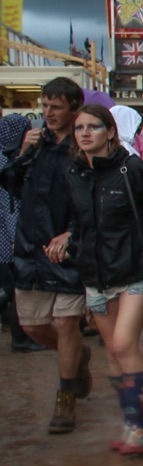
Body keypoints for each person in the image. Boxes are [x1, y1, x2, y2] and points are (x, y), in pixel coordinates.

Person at [56, 105, 143, 454]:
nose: (85, 133)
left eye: (94, 127)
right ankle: (133, 421)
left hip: (134, 271)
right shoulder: (74, 173)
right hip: (95, 275)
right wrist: (68, 241)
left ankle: (140, 428)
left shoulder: (131, 169)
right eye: (79, 127)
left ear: (111, 133)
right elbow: (78, 222)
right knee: (113, 355)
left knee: (122, 345)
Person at [8, 77, 93, 433]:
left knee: (65, 322)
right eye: (44, 107)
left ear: (73, 107)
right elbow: (11, 183)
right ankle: (76, 359)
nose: (48, 114)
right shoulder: (36, 144)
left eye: (55, 107)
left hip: (69, 250)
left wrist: (73, 233)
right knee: (33, 326)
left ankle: (66, 399)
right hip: (30, 247)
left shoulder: (82, 145)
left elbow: (93, 197)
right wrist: (22, 154)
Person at [0, 114, 45, 352]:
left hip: (9, 235)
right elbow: (10, 205)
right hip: (9, 236)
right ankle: (21, 337)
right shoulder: (7, 161)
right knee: (15, 288)